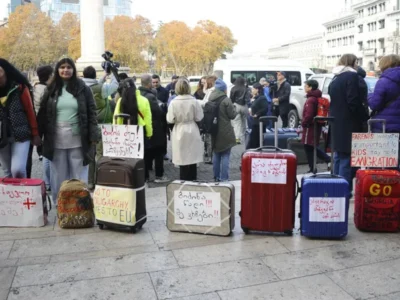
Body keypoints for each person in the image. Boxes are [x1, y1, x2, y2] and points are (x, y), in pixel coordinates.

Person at [37, 57, 99, 204]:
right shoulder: (51, 89)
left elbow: (92, 112)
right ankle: (61, 203)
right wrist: (37, 135)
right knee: (58, 172)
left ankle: (80, 202)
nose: (65, 70)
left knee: (79, 171)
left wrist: (93, 135)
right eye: (62, 67)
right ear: (57, 70)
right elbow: (43, 114)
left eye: (69, 67)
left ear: (73, 70)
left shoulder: (83, 88)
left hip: (78, 135)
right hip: (55, 136)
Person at [328, 54, 370, 197]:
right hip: (349, 122)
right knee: (346, 158)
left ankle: (334, 187)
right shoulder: (351, 77)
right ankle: (343, 190)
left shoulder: (335, 77)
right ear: (353, 62)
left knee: (338, 157)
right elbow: (353, 101)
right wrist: (364, 116)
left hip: (336, 121)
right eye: (356, 62)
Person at [0, 59, 41, 178]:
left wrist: (35, 133)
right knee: (7, 171)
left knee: (17, 169)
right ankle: (10, 196)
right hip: (1, 137)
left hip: (21, 134)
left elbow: (30, 111)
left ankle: (22, 195)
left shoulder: (20, 88)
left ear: (6, 72)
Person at [82, 66, 118, 189]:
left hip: (86, 125)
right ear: (94, 76)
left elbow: (95, 85)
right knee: (100, 154)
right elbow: (115, 85)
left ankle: (90, 181)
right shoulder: (100, 88)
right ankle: (101, 179)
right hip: (102, 124)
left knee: (89, 156)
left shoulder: (80, 87)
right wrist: (112, 72)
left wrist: (103, 76)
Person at [167, 78, 204, 180]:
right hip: (192, 129)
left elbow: (170, 119)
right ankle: (193, 180)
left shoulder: (173, 102)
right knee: (192, 158)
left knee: (182, 158)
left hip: (179, 129)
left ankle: (183, 182)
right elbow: (199, 117)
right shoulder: (194, 101)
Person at [368, 54, 400, 169]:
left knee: (382, 162)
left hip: (384, 126)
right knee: (396, 160)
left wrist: (370, 96)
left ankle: (385, 184)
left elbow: (375, 104)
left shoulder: (384, 81)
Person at [139, 75, 169, 183]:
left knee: (146, 153)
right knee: (158, 153)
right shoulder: (150, 97)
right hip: (154, 128)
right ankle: (159, 175)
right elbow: (158, 113)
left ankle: (145, 176)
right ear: (149, 83)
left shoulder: (138, 95)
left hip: (142, 127)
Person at [209, 79, 237, 181]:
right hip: (225, 131)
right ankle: (224, 178)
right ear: (224, 89)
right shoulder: (226, 100)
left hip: (214, 130)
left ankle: (216, 177)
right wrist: (235, 108)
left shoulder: (210, 98)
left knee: (216, 154)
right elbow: (232, 115)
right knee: (225, 154)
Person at [301, 80, 331, 173]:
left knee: (308, 146)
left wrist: (304, 123)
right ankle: (323, 162)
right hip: (315, 125)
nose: (304, 88)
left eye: (306, 86)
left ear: (310, 87)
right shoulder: (316, 97)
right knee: (311, 146)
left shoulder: (311, 99)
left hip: (310, 126)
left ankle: (315, 167)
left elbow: (309, 114)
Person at [34, 65, 53, 190]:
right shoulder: (46, 90)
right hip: (46, 123)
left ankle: (47, 182)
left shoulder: (36, 88)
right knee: (48, 155)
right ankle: (48, 181)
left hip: (38, 123)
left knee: (46, 154)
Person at [246, 83, 269, 149]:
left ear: (257, 89)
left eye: (253, 89)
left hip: (260, 122)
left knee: (256, 139)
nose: (252, 90)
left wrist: (257, 114)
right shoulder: (256, 97)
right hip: (255, 122)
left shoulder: (262, 98)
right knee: (254, 139)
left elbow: (265, 108)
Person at [230, 76, 250, 144]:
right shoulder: (246, 89)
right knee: (244, 122)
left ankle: (237, 138)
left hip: (236, 106)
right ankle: (243, 137)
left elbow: (231, 99)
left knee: (236, 123)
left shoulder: (233, 88)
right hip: (244, 106)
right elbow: (247, 99)